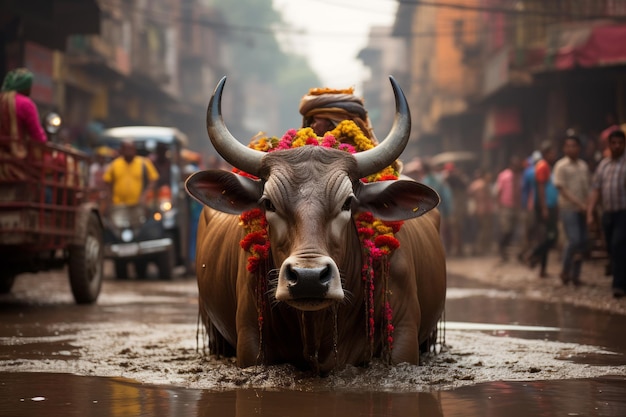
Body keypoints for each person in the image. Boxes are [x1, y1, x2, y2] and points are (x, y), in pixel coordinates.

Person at [587, 129, 626, 298]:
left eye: (620, 143)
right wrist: (590, 212)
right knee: (610, 247)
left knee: (618, 245)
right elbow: (596, 190)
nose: (617, 146)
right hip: (608, 213)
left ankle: (618, 285)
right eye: (614, 143)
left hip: (623, 213)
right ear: (609, 145)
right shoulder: (603, 165)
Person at [553, 135, 591, 286]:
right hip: (568, 208)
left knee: (582, 241)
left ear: (579, 148)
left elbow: (588, 188)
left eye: (574, 146)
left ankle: (576, 275)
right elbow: (562, 189)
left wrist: (588, 206)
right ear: (564, 148)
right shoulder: (561, 166)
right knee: (574, 239)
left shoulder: (583, 166)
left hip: (583, 208)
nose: (571, 149)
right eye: (568, 146)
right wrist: (578, 203)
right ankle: (565, 270)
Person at [526, 141, 559, 278]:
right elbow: (540, 188)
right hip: (546, 206)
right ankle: (533, 253)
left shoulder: (547, 167)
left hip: (549, 205)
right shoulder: (542, 166)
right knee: (552, 236)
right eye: (552, 153)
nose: (554, 155)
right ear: (546, 153)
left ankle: (542, 268)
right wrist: (544, 208)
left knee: (547, 236)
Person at [103, 140, 159, 208]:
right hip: (119, 204)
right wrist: (109, 198)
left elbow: (154, 178)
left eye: (130, 148)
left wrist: (146, 194)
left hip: (138, 203)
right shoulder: (115, 164)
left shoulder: (144, 163)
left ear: (135, 149)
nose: (128, 151)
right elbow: (107, 181)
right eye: (126, 149)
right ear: (122, 150)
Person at [0, 68, 47, 143]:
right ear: (25, 87)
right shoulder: (25, 104)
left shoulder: (2, 99)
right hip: (17, 152)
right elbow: (38, 136)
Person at [495, 155, 523, 262]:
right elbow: (498, 191)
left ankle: (507, 249)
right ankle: (501, 248)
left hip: (517, 206)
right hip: (506, 206)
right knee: (506, 229)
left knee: (514, 230)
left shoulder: (520, 176)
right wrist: (499, 206)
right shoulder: (504, 175)